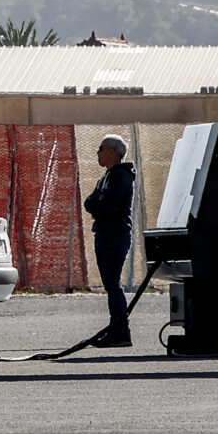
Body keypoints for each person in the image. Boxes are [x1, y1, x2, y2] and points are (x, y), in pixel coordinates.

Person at [84, 134, 136, 347]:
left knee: (113, 285)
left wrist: (100, 204)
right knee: (110, 284)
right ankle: (116, 329)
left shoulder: (121, 177)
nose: (98, 153)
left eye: (101, 148)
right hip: (104, 233)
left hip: (116, 234)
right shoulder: (106, 177)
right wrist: (99, 203)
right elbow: (90, 202)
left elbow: (108, 206)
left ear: (112, 153)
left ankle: (120, 332)